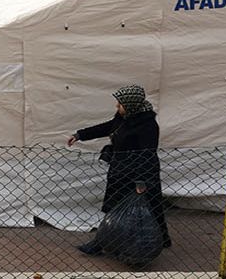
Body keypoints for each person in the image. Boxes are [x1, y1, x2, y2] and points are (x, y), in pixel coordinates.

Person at [67, 85, 169, 255]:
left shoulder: (148, 126)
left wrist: (142, 181)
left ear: (130, 104)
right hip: (120, 171)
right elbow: (107, 127)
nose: (117, 107)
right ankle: (102, 242)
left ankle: (159, 240)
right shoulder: (124, 118)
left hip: (139, 173)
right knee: (115, 209)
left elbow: (147, 155)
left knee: (149, 209)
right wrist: (80, 135)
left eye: (119, 104)